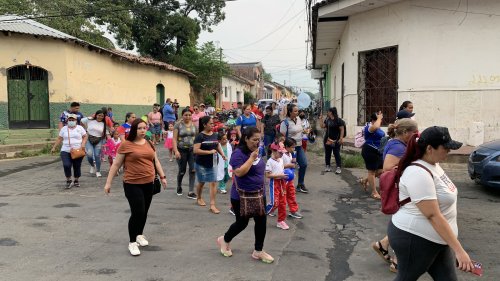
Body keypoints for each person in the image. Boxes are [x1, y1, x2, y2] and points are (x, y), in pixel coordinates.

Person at [388, 126, 473, 280]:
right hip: (414, 239)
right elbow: (433, 215)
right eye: (445, 148)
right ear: (429, 148)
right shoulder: (417, 172)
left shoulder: (434, 165)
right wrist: (459, 251)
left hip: (439, 239)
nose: (448, 151)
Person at [104, 119, 167, 256]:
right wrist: (108, 183)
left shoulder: (149, 143)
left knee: (144, 211)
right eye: (140, 128)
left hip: (148, 182)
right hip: (132, 183)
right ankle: (132, 242)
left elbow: (155, 161)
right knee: (137, 212)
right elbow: (116, 164)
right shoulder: (126, 145)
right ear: (134, 130)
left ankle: (139, 234)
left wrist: (162, 177)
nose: (143, 130)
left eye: (145, 128)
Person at [217, 127, 274, 263]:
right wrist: (251, 158)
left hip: (259, 194)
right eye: (254, 140)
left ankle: (258, 251)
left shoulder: (258, 150)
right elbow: (239, 172)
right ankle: (224, 240)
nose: (257, 142)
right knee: (242, 223)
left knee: (261, 221)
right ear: (246, 139)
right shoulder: (238, 153)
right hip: (241, 196)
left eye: (259, 140)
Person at [370, 118, 418, 273]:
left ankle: (383, 244)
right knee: (406, 225)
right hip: (402, 191)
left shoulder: (397, 144)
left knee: (403, 223)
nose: (416, 136)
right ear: (404, 132)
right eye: (414, 133)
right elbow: (387, 168)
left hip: (402, 190)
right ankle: (397, 262)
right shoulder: (398, 147)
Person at [193, 116, 226, 214]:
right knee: (202, 182)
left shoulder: (215, 135)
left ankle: (212, 205)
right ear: (204, 125)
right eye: (210, 124)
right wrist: (209, 152)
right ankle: (199, 197)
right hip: (201, 163)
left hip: (213, 163)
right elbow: (196, 150)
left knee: (213, 182)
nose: (212, 125)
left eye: (213, 123)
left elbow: (217, 145)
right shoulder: (200, 136)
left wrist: (222, 154)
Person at [51, 114, 87, 188]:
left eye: (73, 120)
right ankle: (69, 180)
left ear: (76, 121)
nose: (71, 121)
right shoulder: (64, 129)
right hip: (65, 150)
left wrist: (83, 144)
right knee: (66, 165)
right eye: (69, 120)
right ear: (67, 121)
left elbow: (85, 136)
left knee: (77, 166)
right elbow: (59, 138)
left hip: (78, 150)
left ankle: (76, 180)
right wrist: (54, 147)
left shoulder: (80, 128)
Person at [280, 104, 308, 193]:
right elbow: (282, 137)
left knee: (303, 164)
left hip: (299, 147)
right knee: (288, 168)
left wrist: (305, 131)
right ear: (290, 112)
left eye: (297, 111)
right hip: (289, 149)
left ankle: (300, 184)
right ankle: (284, 187)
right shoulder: (285, 123)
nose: (297, 112)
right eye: (295, 111)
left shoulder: (299, 119)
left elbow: (300, 129)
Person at [266, 142, 292, 230]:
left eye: (282, 152)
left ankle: (281, 221)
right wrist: (279, 176)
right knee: (274, 203)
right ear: (273, 151)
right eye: (280, 152)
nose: (282, 154)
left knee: (283, 203)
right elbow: (267, 175)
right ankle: (261, 213)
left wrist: (289, 175)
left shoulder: (281, 160)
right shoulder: (269, 162)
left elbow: (281, 169)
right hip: (274, 183)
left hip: (282, 183)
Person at [173, 108, 197, 198]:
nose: (188, 117)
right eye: (186, 115)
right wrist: (176, 151)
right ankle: (179, 186)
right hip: (181, 150)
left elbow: (196, 138)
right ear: (182, 115)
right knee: (182, 171)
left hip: (192, 151)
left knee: (193, 170)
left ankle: (191, 191)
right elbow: (174, 139)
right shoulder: (177, 125)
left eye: (189, 115)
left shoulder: (194, 126)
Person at [360, 112, 385, 199]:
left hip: (379, 152)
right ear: (374, 120)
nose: (381, 121)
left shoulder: (379, 129)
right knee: (372, 172)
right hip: (369, 151)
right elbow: (375, 127)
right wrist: (379, 118)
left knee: (381, 170)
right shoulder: (368, 127)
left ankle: (365, 180)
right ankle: (374, 192)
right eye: (379, 120)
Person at [81, 110, 110, 178]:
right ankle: (92, 165)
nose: (100, 117)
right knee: (89, 154)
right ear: (96, 115)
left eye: (102, 116)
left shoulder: (104, 124)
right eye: (99, 115)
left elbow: (107, 134)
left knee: (97, 155)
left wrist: (111, 142)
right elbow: (81, 121)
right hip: (89, 139)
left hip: (99, 140)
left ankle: (98, 171)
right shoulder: (90, 121)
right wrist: (90, 117)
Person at [320, 107, 345, 174]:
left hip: (336, 140)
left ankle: (338, 167)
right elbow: (322, 126)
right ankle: (327, 166)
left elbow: (342, 129)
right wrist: (321, 119)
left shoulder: (339, 120)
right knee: (327, 153)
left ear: (331, 112)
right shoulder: (327, 120)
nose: (327, 112)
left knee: (336, 153)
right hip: (327, 139)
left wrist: (341, 138)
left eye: (328, 111)